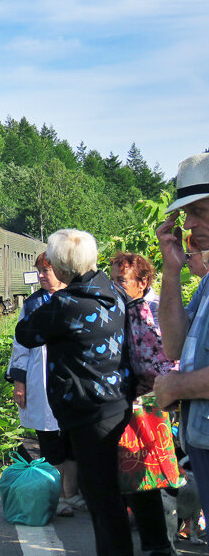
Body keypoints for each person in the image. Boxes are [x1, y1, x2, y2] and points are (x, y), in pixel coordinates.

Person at [15, 228, 133, 556]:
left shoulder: (67, 303)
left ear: (63, 265)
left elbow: (26, 333)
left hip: (86, 409)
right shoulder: (113, 291)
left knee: (101, 499)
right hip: (116, 403)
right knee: (108, 494)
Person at [110, 252, 180, 556]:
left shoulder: (158, 309)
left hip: (163, 404)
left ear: (143, 281)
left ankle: (167, 540)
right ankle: (155, 541)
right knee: (139, 472)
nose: (116, 287)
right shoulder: (121, 308)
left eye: (121, 280)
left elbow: (173, 357)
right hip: (136, 403)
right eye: (113, 280)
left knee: (161, 475)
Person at [154, 152, 209, 522]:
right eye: (187, 213)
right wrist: (171, 271)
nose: (188, 224)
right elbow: (174, 345)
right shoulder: (207, 283)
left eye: (199, 211)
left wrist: (177, 386)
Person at [7, 252, 83, 517]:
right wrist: (19, 382)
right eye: (38, 270)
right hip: (41, 380)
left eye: (45, 271)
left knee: (72, 438)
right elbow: (20, 346)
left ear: (61, 270)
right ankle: (57, 496)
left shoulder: (77, 298)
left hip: (73, 380)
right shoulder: (33, 304)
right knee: (50, 439)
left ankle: (72, 493)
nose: (40, 276)